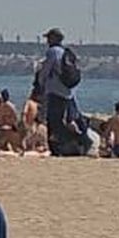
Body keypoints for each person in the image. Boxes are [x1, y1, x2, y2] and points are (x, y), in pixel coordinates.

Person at [33, 28, 89, 156]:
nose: (47, 41)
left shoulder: (53, 52)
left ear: (53, 39)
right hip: (68, 92)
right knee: (70, 119)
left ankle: (59, 147)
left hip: (55, 91)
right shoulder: (66, 52)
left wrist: (40, 84)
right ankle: (81, 141)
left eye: (48, 38)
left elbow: (46, 71)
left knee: (54, 121)